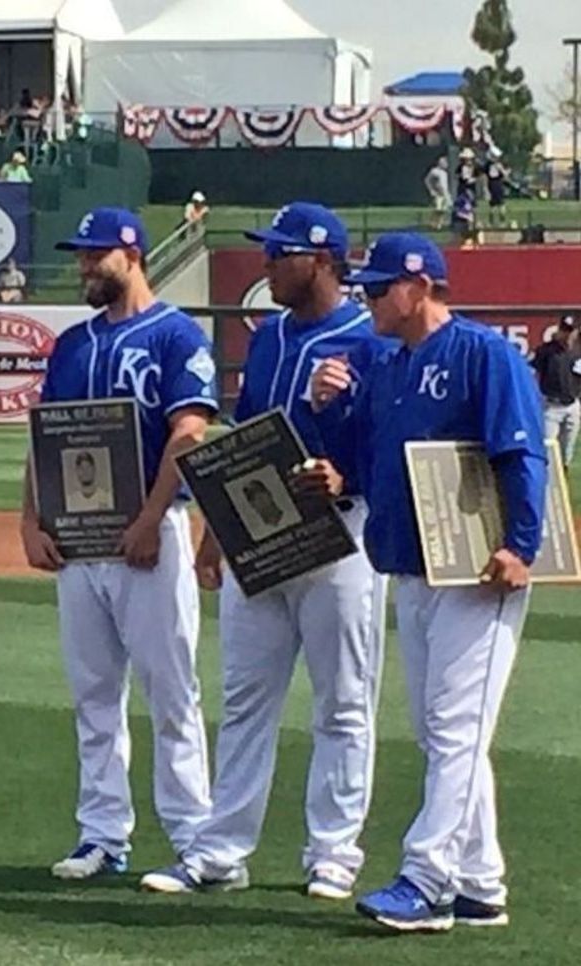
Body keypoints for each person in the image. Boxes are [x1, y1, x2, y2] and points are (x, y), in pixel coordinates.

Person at [142, 202, 391, 901]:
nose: (267, 264)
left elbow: (382, 442)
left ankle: (334, 852)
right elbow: (246, 439)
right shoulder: (271, 337)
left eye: (280, 253)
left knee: (343, 701)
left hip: (340, 532)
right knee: (248, 697)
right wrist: (214, 537)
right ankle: (221, 849)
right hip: (262, 529)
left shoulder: (369, 340)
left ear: (321, 259)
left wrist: (348, 473)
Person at [309, 233, 547, 932]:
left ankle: (427, 878)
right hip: (412, 566)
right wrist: (330, 413)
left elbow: (519, 450)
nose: (368, 299)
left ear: (421, 286)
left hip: (478, 568)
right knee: (443, 733)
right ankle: (481, 881)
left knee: (455, 731)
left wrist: (519, 545)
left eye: (380, 288)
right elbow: (362, 462)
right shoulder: (389, 365)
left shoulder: (482, 353)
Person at [22, 207, 215, 881]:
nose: (82, 265)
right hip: (80, 542)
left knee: (171, 691)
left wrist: (150, 518)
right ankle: (103, 833)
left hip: (149, 537)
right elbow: (45, 437)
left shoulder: (177, 335)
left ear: (130, 254)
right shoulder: (73, 344)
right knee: (94, 694)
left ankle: (197, 838)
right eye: (79, 254)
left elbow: (188, 434)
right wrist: (29, 520)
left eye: (93, 254)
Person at [530, 314, 580, 470]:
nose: (566, 334)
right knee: (549, 449)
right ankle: (549, 485)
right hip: (551, 406)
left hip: (572, 406)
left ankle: (562, 481)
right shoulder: (546, 351)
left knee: (567, 452)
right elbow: (533, 373)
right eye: (564, 330)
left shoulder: (577, 353)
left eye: (570, 331)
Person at [484, 147, 509, 227]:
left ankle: (491, 222)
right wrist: (507, 172)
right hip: (497, 184)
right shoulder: (496, 165)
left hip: (491, 184)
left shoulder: (487, 165)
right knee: (501, 204)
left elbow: (485, 176)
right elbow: (504, 174)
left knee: (493, 204)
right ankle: (502, 222)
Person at [424, 158, 452, 230]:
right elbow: (427, 180)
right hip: (437, 193)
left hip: (444, 193)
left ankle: (439, 225)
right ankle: (432, 223)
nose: (446, 164)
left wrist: (447, 196)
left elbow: (444, 186)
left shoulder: (444, 173)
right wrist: (431, 190)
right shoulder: (434, 171)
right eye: (444, 163)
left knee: (443, 210)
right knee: (437, 209)